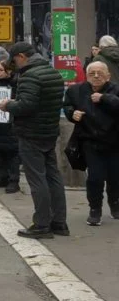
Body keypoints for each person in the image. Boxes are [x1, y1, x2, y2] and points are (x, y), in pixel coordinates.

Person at [0, 42, 67, 239]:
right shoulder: (52, 72)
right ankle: (59, 222)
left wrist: (7, 105)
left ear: (21, 56)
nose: (15, 65)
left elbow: (26, 105)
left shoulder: (30, 76)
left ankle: (41, 224)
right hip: (49, 132)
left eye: (14, 60)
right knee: (53, 176)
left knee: (37, 179)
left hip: (31, 133)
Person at [63, 61, 119, 226]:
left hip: (114, 142)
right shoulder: (76, 90)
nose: (96, 76)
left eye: (100, 73)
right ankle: (95, 209)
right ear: (86, 75)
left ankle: (115, 203)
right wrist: (72, 113)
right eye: (92, 73)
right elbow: (67, 106)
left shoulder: (115, 89)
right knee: (95, 178)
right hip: (90, 140)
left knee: (115, 177)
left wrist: (104, 98)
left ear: (108, 76)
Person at [0, 61, 21, 194]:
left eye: (1, 70)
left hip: (11, 122)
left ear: (9, 71)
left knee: (12, 153)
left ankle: (14, 180)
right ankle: (2, 177)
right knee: (1, 151)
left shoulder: (16, 84)